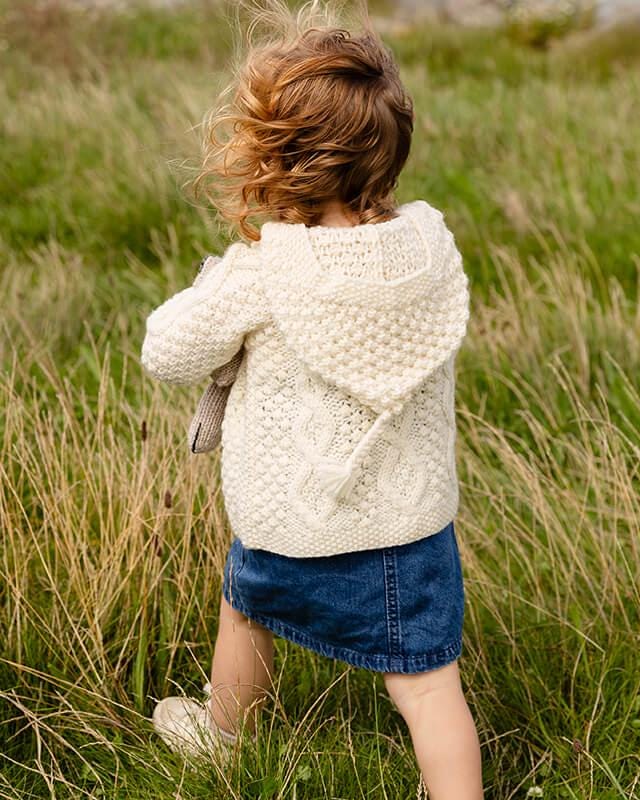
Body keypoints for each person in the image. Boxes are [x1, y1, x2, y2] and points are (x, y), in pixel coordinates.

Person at [139, 2, 480, 797]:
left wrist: (216, 281)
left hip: (292, 523)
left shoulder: (265, 272)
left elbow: (167, 352)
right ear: (388, 154)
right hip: (409, 530)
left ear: (274, 161)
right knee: (429, 687)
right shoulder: (426, 248)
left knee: (246, 610)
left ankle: (227, 734)